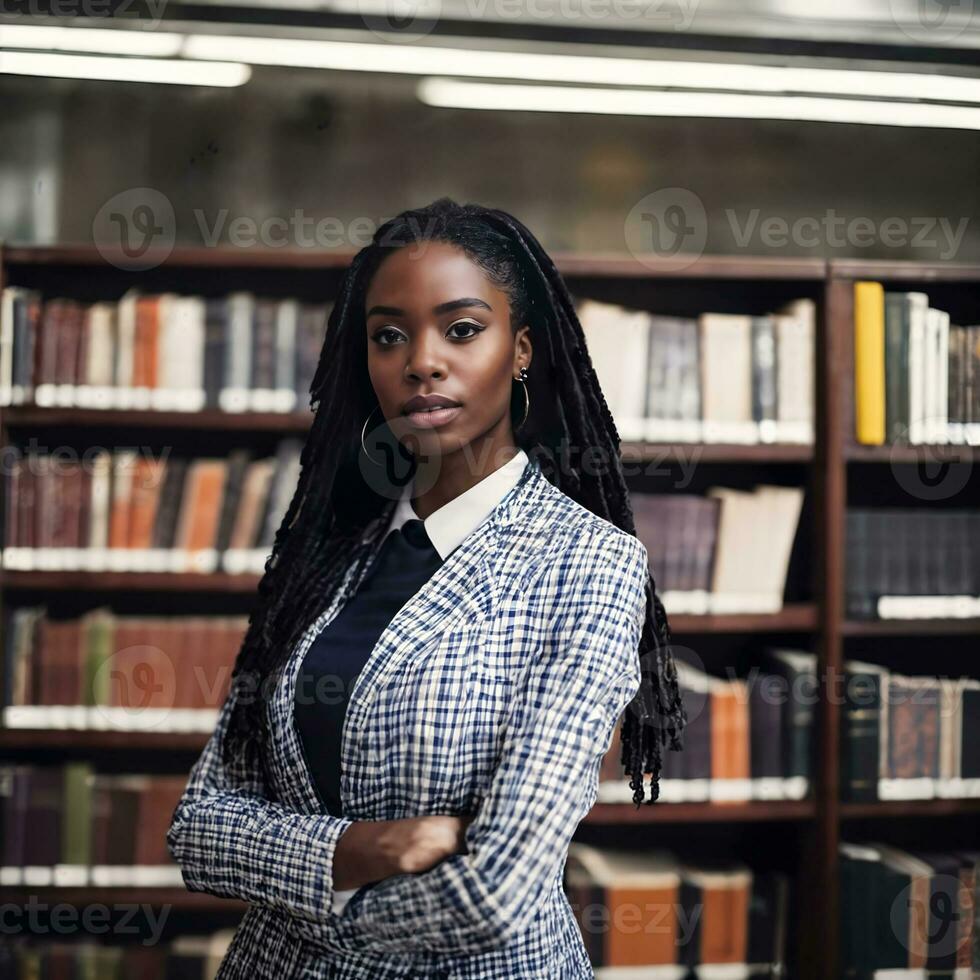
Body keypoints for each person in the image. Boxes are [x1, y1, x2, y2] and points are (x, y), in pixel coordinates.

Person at [167, 198, 687, 979]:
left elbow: (494, 891)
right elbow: (200, 830)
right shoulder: (328, 552)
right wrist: (361, 850)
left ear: (520, 351)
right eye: (389, 336)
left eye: (463, 329)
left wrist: (313, 902)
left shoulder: (589, 563)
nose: (422, 361)